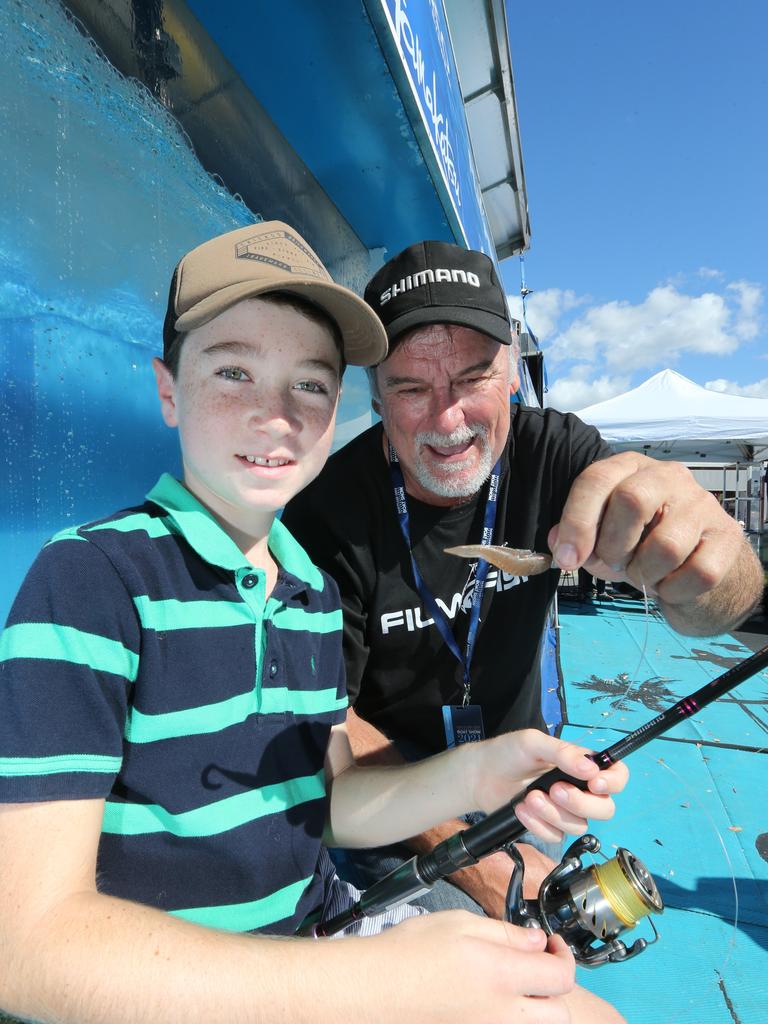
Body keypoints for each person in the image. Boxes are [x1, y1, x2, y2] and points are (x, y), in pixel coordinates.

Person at [0, 222, 630, 1024]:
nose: (276, 414)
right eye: (233, 371)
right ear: (167, 390)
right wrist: (377, 983)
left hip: (321, 933)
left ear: (339, 409)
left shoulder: (307, 586)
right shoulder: (91, 580)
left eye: (310, 384)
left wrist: (481, 772)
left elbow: (326, 806)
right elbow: (24, 948)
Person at [282, 238, 765, 919]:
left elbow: (729, 606)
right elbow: (332, 721)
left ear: (510, 369)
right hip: (395, 788)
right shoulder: (324, 515)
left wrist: (709, 567)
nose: (447, 421)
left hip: (527, 770)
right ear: (376, 395)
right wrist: (476, 857)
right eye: (412, 388)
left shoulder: (556, 451)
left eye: (472, 378)